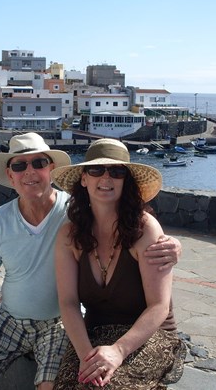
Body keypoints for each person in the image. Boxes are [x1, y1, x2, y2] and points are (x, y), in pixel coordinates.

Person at [0, 133, 182, 390]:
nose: (105, 178)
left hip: (96, 329)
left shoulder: (87, 216)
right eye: (20, 165)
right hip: (47, 324)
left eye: (38, 163)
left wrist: (173, 245)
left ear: (50, 168)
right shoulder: (64, 226)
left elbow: (158, 303)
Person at [51, 138, 186, 389]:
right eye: (96, 170)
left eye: (117, 171)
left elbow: (159, 306)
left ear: (126, 181)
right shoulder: (69, 236)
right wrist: (85, 356)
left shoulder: (144, 229)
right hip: (94, 334)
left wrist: (118, 351)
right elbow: (68, 303)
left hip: (147, 335)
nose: (106, 178)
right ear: (84, 178)